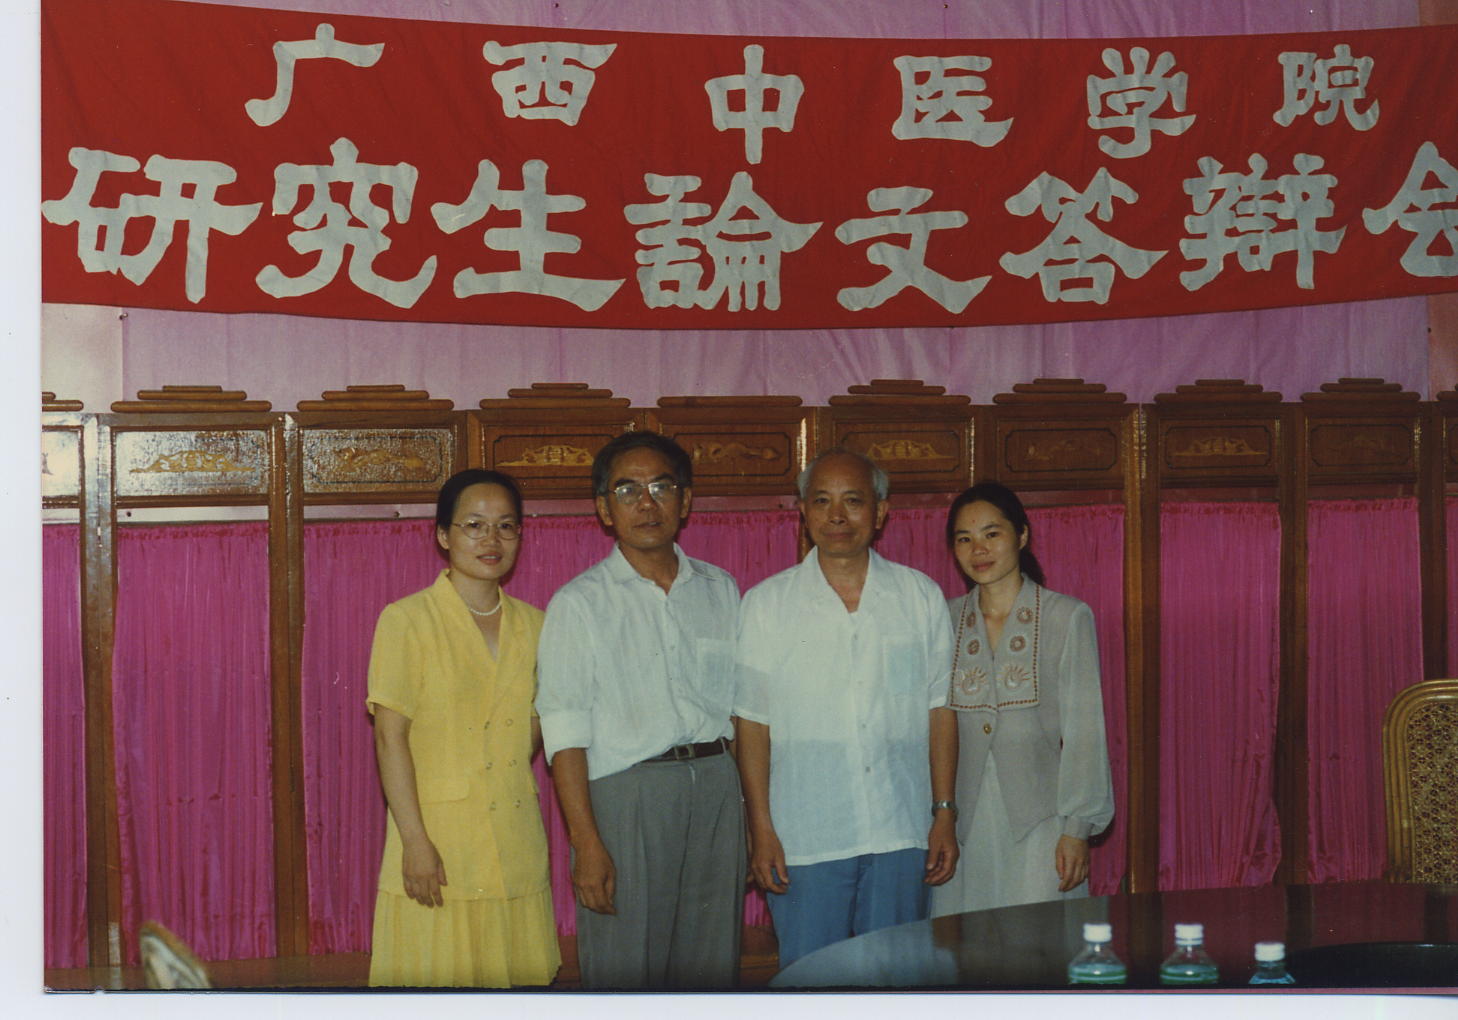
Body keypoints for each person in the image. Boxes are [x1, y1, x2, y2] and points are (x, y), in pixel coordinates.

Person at [536, 431, 746, 989]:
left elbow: (744, 712)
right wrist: (586, 843)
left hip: (718, 787)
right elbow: (564, 733)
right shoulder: (579, 603)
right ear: (605, 509)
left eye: (661, 487)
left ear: (686, 499)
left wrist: (750, 817)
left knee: (711, 965)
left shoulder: (721, 589)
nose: (646, 503)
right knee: (626, 968)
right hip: (627, 796)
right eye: (628, 490)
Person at [734, 449, 958, 969]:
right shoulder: (767, 604)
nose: (837, 516)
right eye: (822, 501)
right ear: (803, 511)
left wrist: (944, 813)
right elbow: (751, 724)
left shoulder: (919, 596)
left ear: (880, 511)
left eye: (853, 501)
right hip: (806, 836)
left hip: (901, 830)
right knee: (810, 982)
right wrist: (761, 829)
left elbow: (940, 711)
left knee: (899, 980)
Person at [366, 469, 560, 987]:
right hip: (438, 843)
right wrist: (415, 841)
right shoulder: (407, 620)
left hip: (514, 837)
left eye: (506, 526)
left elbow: (533, 729)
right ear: (443, 535)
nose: (491, 540)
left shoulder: (538, 625)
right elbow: (389, 737)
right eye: (474, 525)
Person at [929, 481, 1114, 917]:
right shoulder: (943, 620)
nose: (979, 549)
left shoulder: (1066, 616)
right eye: (964, 538)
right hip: (962, 826)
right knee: (964, 945)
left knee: (1037, 944)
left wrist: (1077, 829)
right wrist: (940, 816)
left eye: (992, 533)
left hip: (1042, 821)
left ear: (1022, 535)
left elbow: (1085, 732)